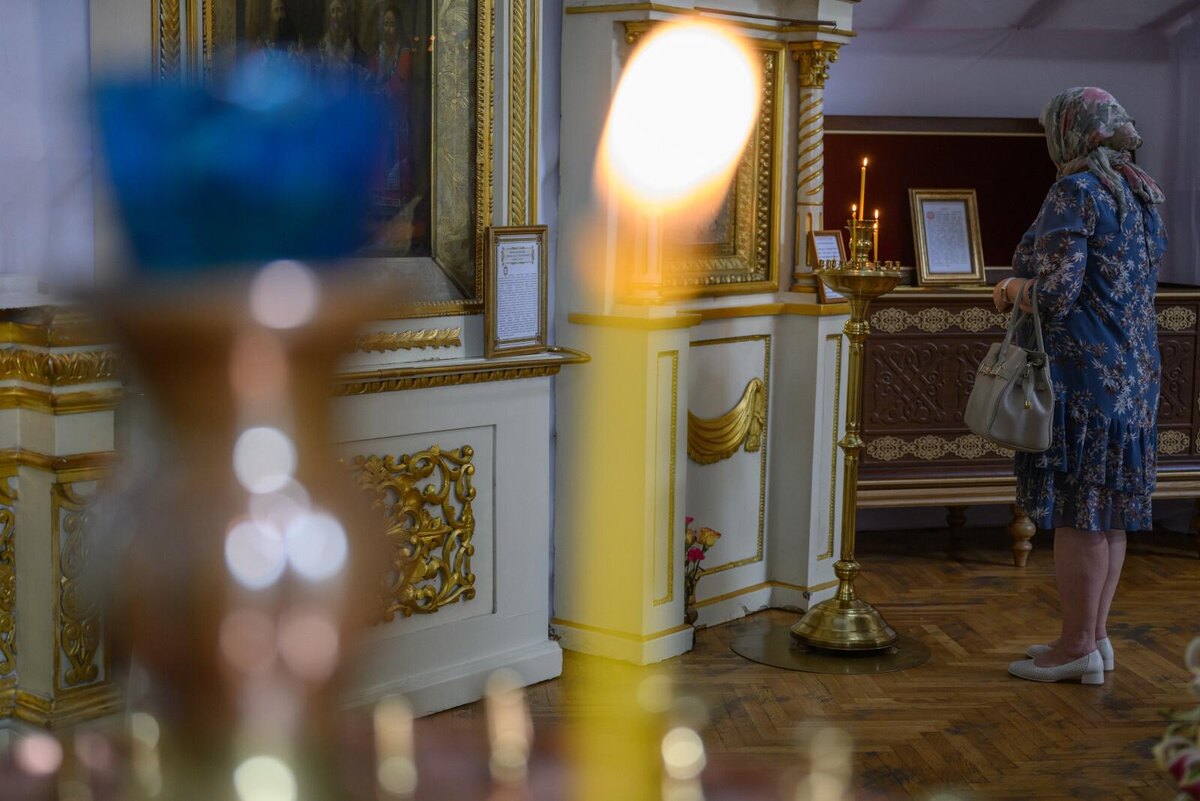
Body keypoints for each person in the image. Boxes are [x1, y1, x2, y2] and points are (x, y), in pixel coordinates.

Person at [995, 87, 1167, 685]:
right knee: (1107, 513)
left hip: (1086, 379)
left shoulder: (1076, 190)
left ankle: (1074, 648)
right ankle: (1094, 638)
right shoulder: (1139, 190)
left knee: (1081, 515)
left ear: (1068, 131)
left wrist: (1010, 290)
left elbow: (1056, 293)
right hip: (1134, 375)